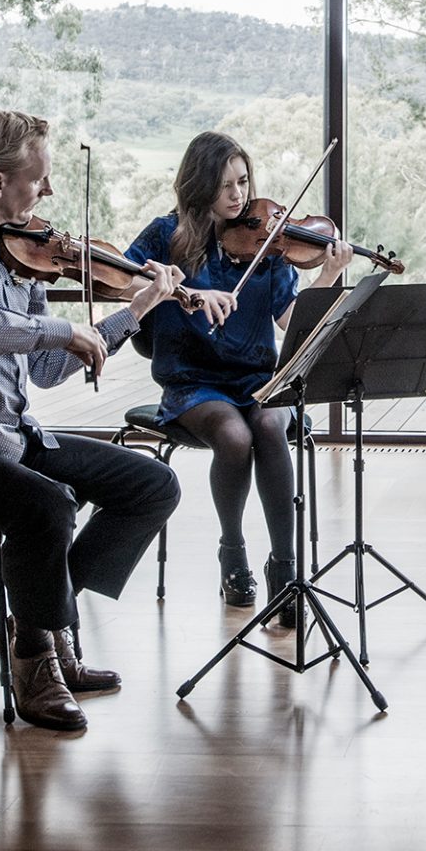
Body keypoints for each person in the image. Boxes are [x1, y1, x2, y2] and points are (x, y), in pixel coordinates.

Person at [0, 108, 233, 734]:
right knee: (46, 506)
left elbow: (44, 369)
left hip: (8, 436)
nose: (48, 193)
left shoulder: (22, 255)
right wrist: (60, 327)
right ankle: (36, 660)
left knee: (152, 485)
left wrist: (136, 309)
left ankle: (34, 622)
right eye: (39, 179)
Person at [126, 132, 352, 616]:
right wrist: (178, 292)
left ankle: (285, 570)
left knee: (269, 424)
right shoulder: (167, 235)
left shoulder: (268, 240)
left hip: (257, 380)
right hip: (193, 381)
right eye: (225, 184)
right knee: (233, 436)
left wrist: (327, 278)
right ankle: (233, 553)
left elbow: (291, 319)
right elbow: (123, 279)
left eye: (244, 182)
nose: (238, 195)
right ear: (199, 185)